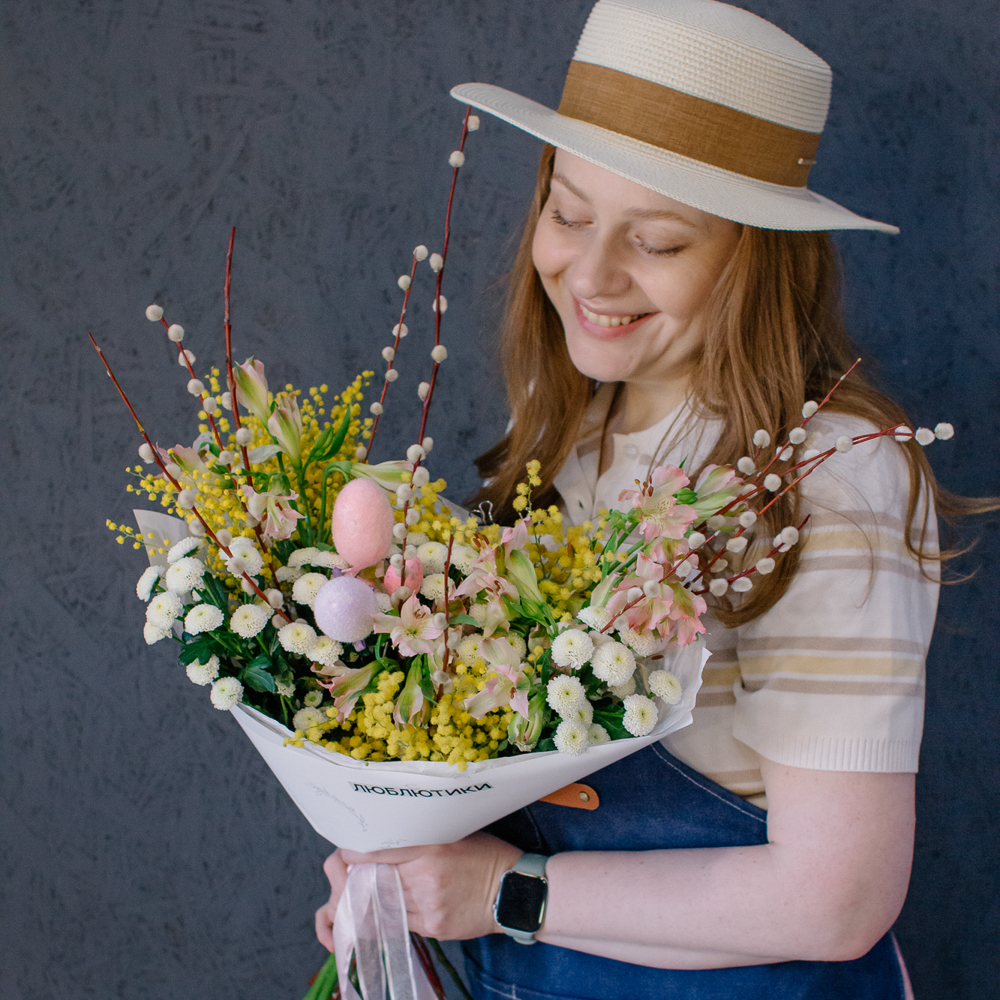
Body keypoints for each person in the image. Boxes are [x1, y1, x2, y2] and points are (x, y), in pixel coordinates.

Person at [315, 2, 985, 996]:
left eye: (659, 242)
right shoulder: (569, 433)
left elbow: (838, 898)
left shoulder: (825, 478)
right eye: (568, 214)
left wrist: (503, 892)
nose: (591, 274)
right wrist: (399, 872)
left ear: (759, 258)